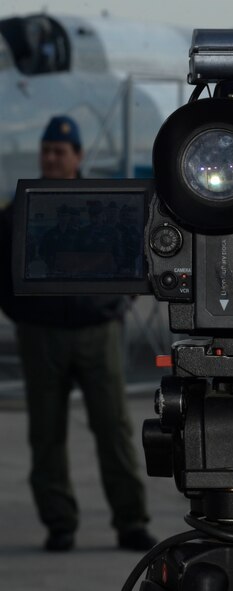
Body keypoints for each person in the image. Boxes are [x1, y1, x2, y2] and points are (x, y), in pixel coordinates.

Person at [0, 115, 156, 552]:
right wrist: (23, 312)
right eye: (47, 150)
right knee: (46, 435)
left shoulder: (102, 205)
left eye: (60, 151)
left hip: (96, 331)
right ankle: (59, 523)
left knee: (114, 429)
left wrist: (115, 303)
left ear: (78, 156)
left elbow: (131, 252)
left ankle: (131, 522)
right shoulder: (20, 211)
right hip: (40, 334)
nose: (52, 158)